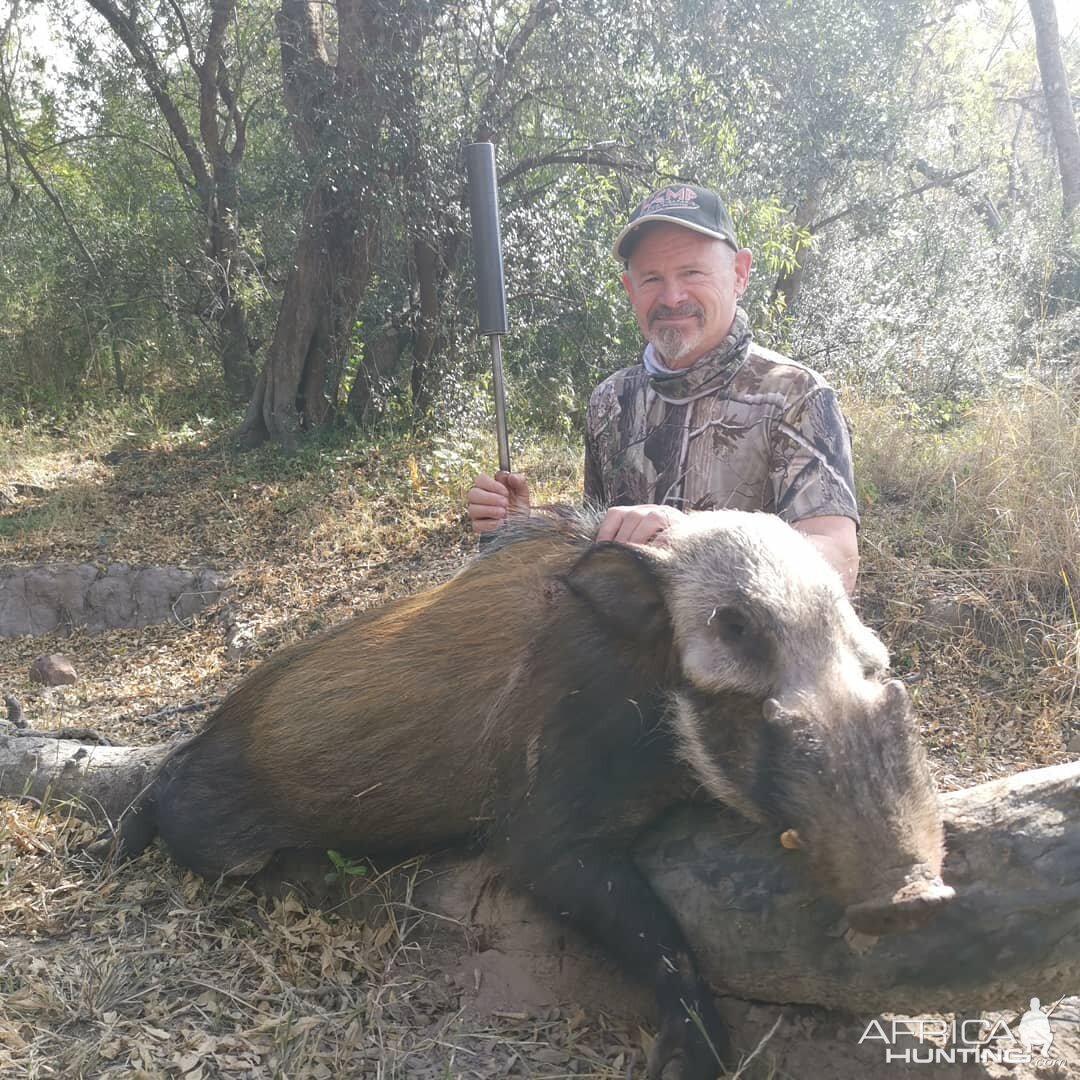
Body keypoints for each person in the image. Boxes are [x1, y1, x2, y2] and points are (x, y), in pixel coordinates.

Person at [467, 183, 861, 593]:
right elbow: (599, 552)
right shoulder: (611, 400)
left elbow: (837, 561)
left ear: (739, 274)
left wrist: (691, 537)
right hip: (627, 651)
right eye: (652, 278)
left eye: (692, 272)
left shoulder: (795, 395)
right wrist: (527, 528)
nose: (672, 297)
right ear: (629, 289)